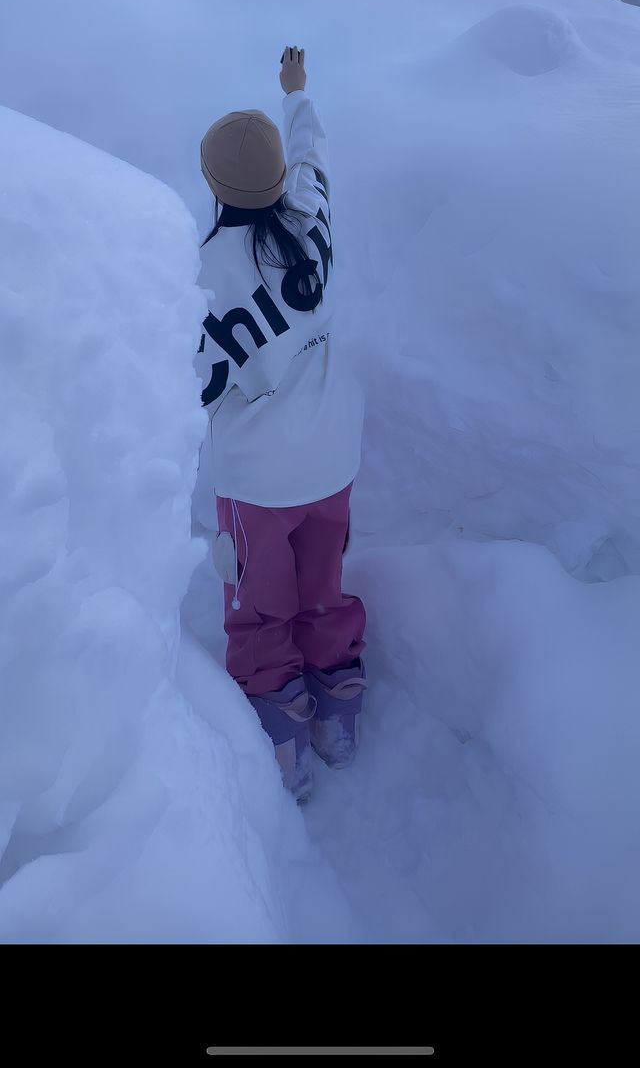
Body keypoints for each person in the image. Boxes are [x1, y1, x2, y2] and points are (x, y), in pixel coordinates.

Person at [195, 47, 366, 801]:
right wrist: (296, 94)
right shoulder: (311, 220)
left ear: (214, 188)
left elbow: (193, 384)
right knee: (323, 586)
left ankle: (281, 743)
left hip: (258, 483)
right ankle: (338, 715)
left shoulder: (203, 278)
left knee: (261, 605)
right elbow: (314, 155)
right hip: (333, 458)